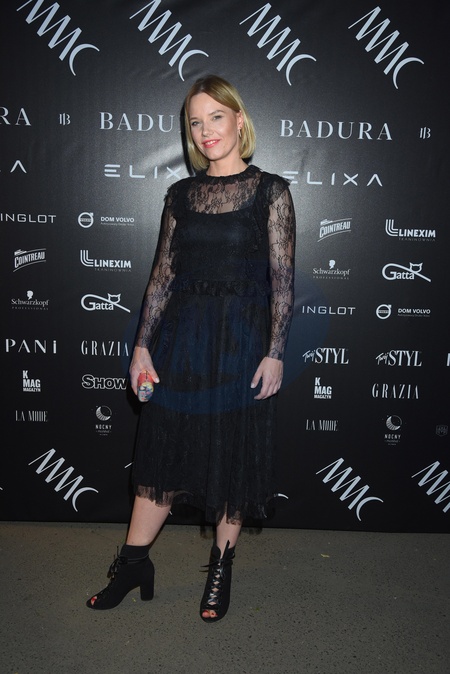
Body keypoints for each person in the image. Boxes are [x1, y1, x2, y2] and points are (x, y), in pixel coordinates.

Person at [86, 75, 296, 622]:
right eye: (196, 122)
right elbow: (161, 276)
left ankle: (221, 568)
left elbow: (282, 281)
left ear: (239, 120)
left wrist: (275, 351)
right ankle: (133, 564)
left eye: (216, 117)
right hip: (182, 342)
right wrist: (141, 348)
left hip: (242, 344)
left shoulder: (271, 191)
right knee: (161, 451)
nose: (206, 131)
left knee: (231, 457)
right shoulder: (180, 195)